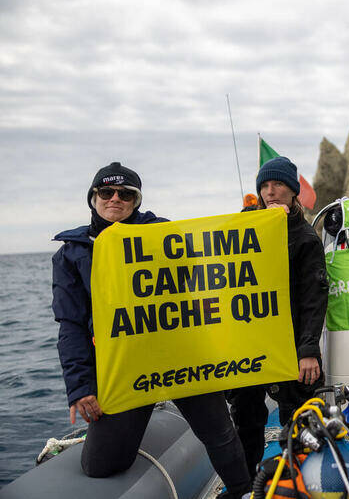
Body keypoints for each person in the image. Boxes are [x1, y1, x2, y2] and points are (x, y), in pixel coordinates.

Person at [52, 162, 251, 499]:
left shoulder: (163, 234)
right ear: (93, 198)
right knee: (99, 464)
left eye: (126, 193)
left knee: (219, 432)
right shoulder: (70, 254)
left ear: (136, 201)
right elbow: (70, 325)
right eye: (106, 192)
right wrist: (80, 386)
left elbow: (204, 268)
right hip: (125, 367)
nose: (115, 198)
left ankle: (243, 492)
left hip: (181, 355)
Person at [227, 156, 328, 481]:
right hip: (251, 342)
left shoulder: (305, 238)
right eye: (265, 186)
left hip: (292, 340)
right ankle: (246, 483)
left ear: (293, 191)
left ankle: (301, 479)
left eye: (279, 185)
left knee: (296, 414)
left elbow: (314, 299)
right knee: (247, 416)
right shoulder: (241, 228)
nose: (271, 192)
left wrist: (308, 350)